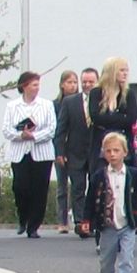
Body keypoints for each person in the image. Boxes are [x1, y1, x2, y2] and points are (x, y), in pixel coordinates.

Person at [83, 131, 137, 273]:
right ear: (103, 153)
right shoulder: (99, 176)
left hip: (127, 224)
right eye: (108, 151)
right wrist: (86, 221)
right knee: (107, 260)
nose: (112, 154)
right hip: (107, 225)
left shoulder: (134, 174)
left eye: (116, 150)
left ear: (125, 152)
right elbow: (90, 200)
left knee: (126, 259)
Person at [1, 71, 57, 238]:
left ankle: (34, 226)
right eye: (33, 84)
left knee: (39, 189)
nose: (37, 88)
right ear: (24, 86)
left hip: (41, 153)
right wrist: (20, 135)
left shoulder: (46, 105)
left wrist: (34, 136)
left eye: (38, 85)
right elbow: (6, 129)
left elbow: (51, 129)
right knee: (20, 187)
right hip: (20, 152)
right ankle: (23, 218)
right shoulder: (12, 106)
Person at [83, 59, 137, 180]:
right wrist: (120, 117)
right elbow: (96, 117)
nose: (125, 73)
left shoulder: (128, 94)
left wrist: (109, 118)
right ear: (112, 72)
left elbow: (131, 119)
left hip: (124, 144)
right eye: (121, 70)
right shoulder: (96, 93)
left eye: (126, 70)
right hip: (100, 147)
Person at [53, 70, 91, 236]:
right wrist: (60, 151)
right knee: (77, 188)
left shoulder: (102, 100)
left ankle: (93, 220)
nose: (87, 85)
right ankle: (79, 222)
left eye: (91, 82)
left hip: (95, 151)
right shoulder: (69, 102)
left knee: (96, 187)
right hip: (75, 152)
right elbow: (61, 129)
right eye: (84, 82)